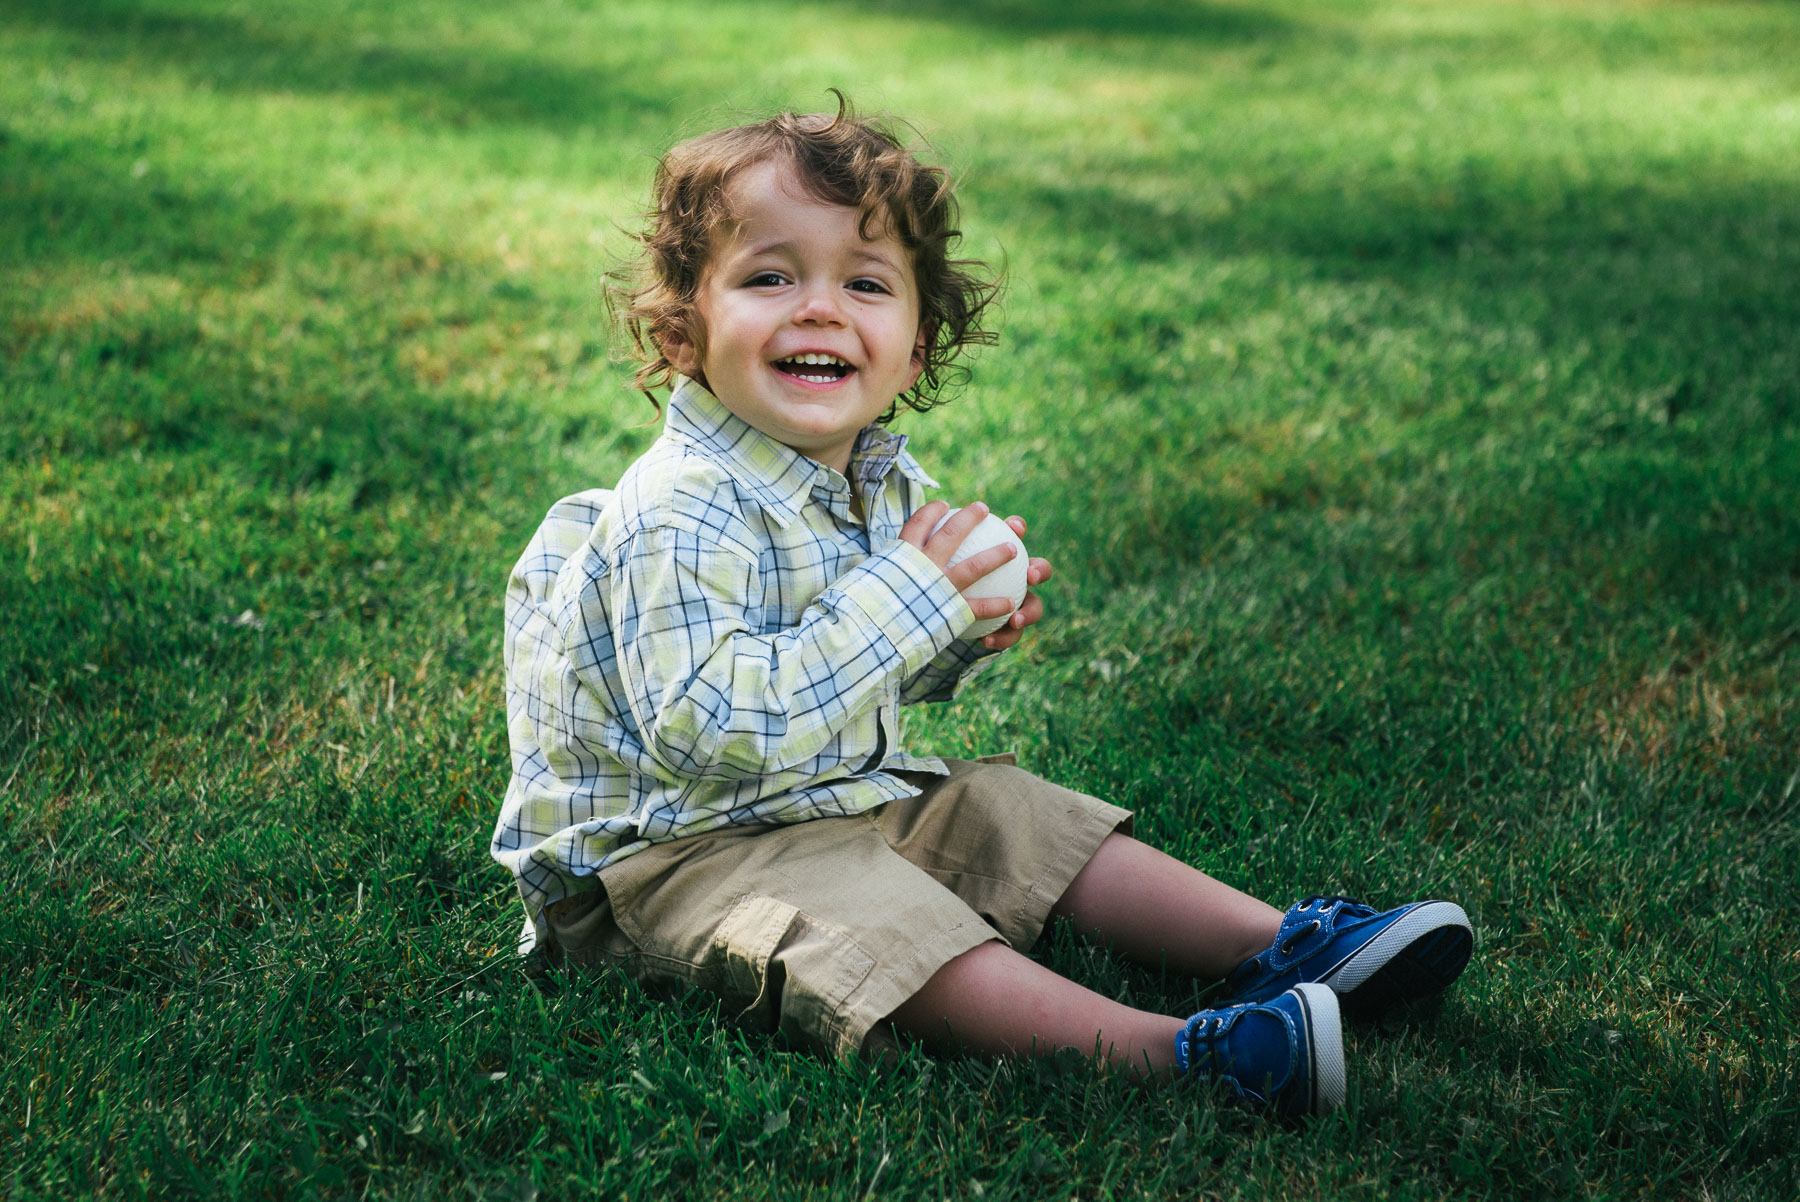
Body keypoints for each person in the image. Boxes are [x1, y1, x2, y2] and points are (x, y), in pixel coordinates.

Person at [490, 95, 1473, 1117]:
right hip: (662, 865)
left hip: (823, 793)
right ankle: (1177, 1055)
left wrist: (955, 634)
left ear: (914, 351)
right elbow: (716, 730)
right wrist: (912, 598)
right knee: (878, 919)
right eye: (770, 275)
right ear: (689, 329)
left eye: (865, 283)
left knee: (1009, 812)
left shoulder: (875, 480)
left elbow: (850, 665)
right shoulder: (680, 510)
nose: (819, 306)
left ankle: (1281, 942)